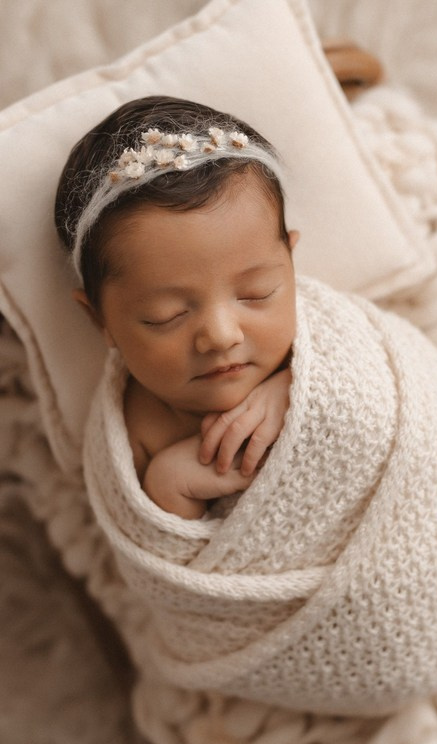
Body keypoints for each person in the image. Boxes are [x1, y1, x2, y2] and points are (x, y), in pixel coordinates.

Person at [54, 96, 300, 519]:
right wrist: (169, 484)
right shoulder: (137, 434)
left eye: (256, 292)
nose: (222, 335)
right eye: (165, 316)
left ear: (292, 264)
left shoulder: (324, 349)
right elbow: (160, 564)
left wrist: (300, 392)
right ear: (101, 320)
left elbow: (387, 378)